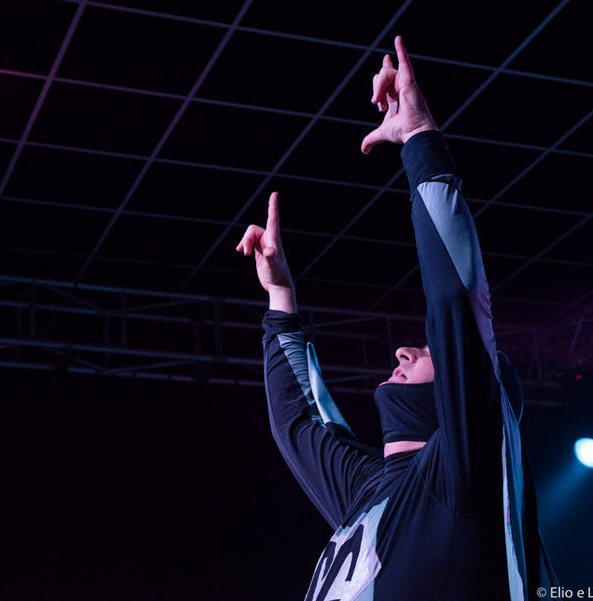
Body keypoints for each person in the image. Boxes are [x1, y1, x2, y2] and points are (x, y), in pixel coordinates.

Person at [237, 35, 556, 601]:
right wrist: (280, 298)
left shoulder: (458, 476)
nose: (405, 351)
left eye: (429, 351)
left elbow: (455, 304)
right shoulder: (369, 489)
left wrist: (420, 139)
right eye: (424, 349)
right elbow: (298, 424)